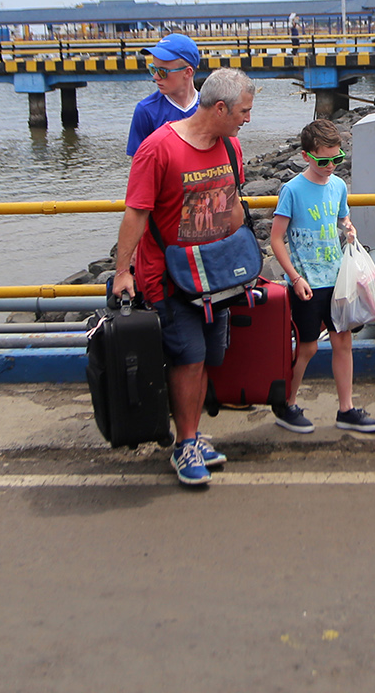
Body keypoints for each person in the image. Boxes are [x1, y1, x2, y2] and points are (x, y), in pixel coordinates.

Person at [111, 68, 257, 486]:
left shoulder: (230, 147)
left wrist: (245, 268)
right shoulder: (158, 149)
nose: (248, 119)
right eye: (243, 111)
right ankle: (186, 443)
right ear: (220, 108)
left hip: (217, 274)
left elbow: (231, 206)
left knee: (210, 356)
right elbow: (136, 213)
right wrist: (124, 272)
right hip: (169, 278)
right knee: (187, 359)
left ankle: (191, 433)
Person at [268, 119, 375, 434]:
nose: (331, 165)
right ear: (306, 156)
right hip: (306, 281)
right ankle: (287, 404)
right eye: (323, 160)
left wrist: (349, 229)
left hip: (337, 279)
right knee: (306, 347)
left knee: (343, 341)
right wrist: (294, 277)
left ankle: (346, 409)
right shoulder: (292, 190)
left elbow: (343, 218)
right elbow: (276, 238)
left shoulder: (338, 186)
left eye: (337, 159)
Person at [127, 33, 200, 156]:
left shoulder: (209, 107)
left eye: (162, 72)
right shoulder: (146, 111)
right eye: (153, 69)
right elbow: (139, 167)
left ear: (187, 72)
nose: (155, 77)